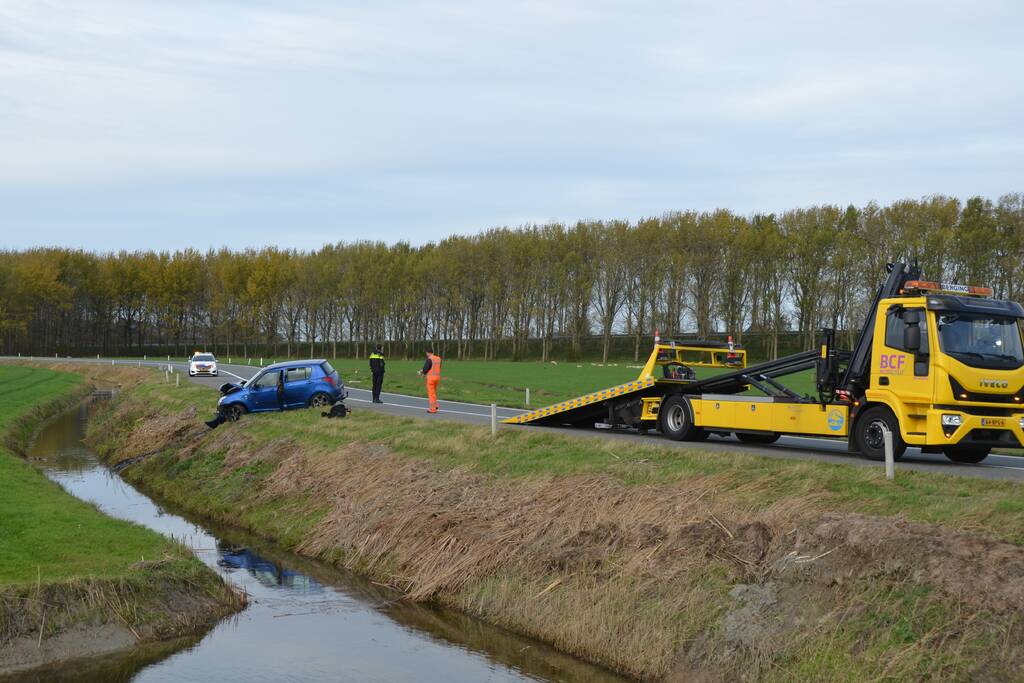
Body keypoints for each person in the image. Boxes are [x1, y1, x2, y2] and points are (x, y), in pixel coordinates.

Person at [418, 348, 442, 413]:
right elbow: (437, 367)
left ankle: (433, 409)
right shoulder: (438, 358)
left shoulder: (429, 359)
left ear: (428, 352)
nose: (426, 354)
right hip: (437, 377)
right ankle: (436, 405)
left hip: (431, 378)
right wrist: (423, 371)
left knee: (431, 394)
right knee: (434, 392)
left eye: (426, 353)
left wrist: (422, 373)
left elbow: (426, 369)